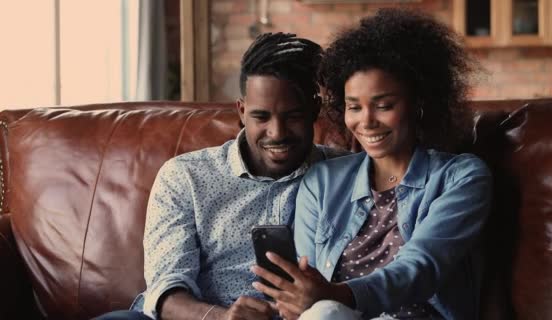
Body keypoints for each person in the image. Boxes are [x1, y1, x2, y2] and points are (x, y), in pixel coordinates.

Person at [251, 9, 492, 320]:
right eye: (354, 107)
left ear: (419, 103)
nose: (366, 122)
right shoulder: (322, 182)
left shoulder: (462, 178)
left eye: (384, 105)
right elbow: (305, 284)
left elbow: (421, 268)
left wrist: (336, 295)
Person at [95, 32, 339, 320]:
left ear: (314, 111)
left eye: (293, 116)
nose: (277, 133)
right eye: (261, 117)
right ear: (241, 111)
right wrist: (220, 317)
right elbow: (166, 289)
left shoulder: (348, 175)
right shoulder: (186, 177)